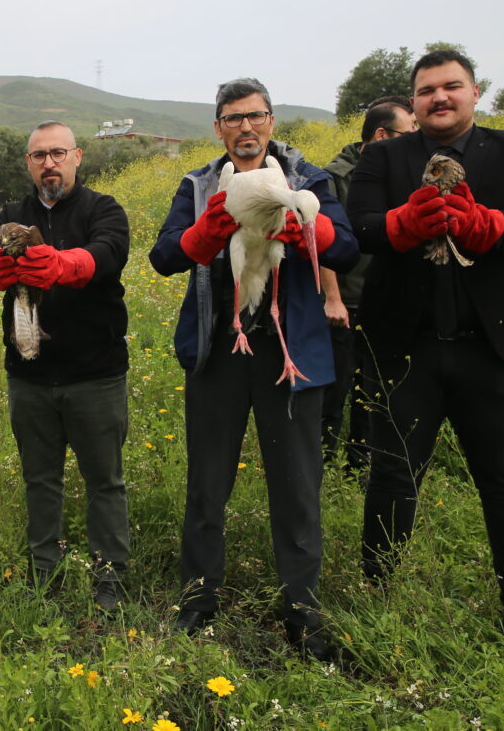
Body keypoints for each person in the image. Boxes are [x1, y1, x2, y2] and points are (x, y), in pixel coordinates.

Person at [347, 49, 504, 634]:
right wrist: (400, 224)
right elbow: (357, 225)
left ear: (474, 91)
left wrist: (491, 226)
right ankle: (378, 596)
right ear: (413, 103)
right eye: (427, 90)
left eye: (452, 86)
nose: (439, 97)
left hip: (497, 349)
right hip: (404, 348)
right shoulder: (384, 156)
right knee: (392, 475)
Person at [149, 78, 358, 659]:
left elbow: (344, 248)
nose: (245, 127)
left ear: (271, 121)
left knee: (296, 485)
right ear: (218, 128)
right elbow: (164, 256)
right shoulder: (196, 185)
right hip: (219, 349)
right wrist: (204, 233)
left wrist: (308, 230)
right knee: (207, 483)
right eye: (233, 118)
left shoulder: (308, 179)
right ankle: (197, 601)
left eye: (256, 116)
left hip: (288, 352)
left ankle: (303, 611)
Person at [0, 121, 132, 611]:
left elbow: (109, 253)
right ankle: (45, 572)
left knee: (105, 480)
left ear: (77, 156)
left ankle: (110, 578)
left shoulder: (104, 209)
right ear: (28, 164)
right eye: (39, 156)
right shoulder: (8, 216)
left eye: (57, 153)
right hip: (30, 375)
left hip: (95, 374)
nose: (49, 163)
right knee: (40, 479)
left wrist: (65, 265)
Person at [320, 97, 417, 473]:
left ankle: (359, 466)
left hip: (385, 301)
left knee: (374, 392)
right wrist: (333, 298)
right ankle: (323, 463)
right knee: (336, 388)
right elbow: (322, 242)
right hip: (346, 300)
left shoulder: (399, 172)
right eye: (408, 132)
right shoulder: (334, 177)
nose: (414, 140)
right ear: (382, 134)